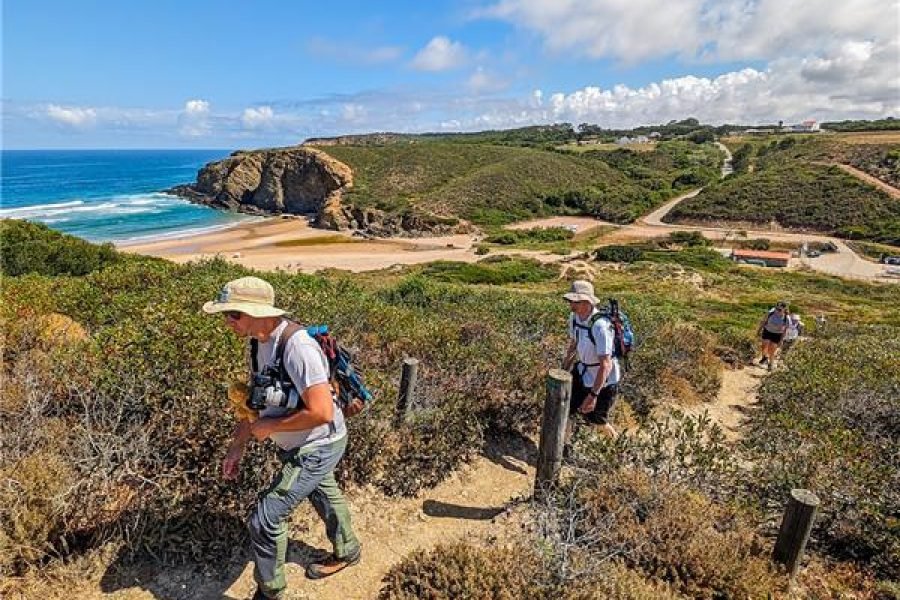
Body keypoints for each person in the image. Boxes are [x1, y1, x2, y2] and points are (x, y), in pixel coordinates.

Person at [204, 276, 361, 600]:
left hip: (318, 444)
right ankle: (348, 550)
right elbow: (253, 403)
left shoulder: (297, 347)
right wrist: (237, 446)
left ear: (257, 312)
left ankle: (270, 591)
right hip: (301, 443)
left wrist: (271, 428)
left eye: (233, 314)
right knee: (323, 492)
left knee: (265, 519)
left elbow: (322, 412)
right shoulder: (257, 342)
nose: (227, 321)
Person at [561, 280, 622, 446]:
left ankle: (618, 447)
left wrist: (593, 395)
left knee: (598, 421)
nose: (571, 304)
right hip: (582, 373)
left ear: (587, 302)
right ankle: (564, 447)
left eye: (575, 301)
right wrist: (564, 369)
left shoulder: (600, 326)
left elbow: (606, 365)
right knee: (567, 410)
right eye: (570, 301)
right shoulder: (574, 318)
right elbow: (574, 344)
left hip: (604, 381)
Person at [757, 300, 789, 371]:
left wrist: (781, 340)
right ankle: (764, 358)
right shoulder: (771, 313)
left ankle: (771, 364)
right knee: (764, 346)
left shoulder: (787, 318)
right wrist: (759, 330)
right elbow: (764, 321)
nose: (777, 310)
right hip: (767, 331)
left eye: (779, 309)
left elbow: (785, 330)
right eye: (776, 308)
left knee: (771, 350)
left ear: (784, 310)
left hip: (777, 334)